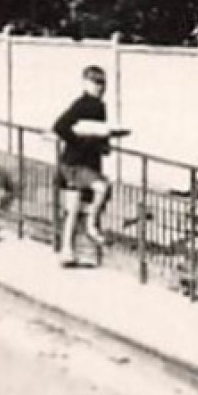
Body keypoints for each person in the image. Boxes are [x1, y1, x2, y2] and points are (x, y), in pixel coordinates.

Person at [52, 65, 115, 267]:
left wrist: (103, 146)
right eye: (96, 82)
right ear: (85, 82)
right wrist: (78, 142)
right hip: (75, 163)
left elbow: (96, 132)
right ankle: (91, 224)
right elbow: (60, 126)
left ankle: (67, 251)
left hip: (83, 162)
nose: (100, 87)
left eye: (103, 83)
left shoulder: (100, 106)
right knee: (103, 187)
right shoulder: (82, 104)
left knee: (73, 209)